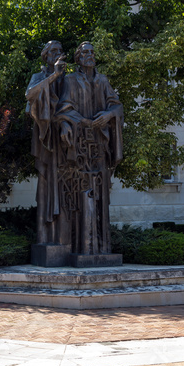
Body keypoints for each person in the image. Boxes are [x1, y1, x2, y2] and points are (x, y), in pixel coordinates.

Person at [55, 41, 123, 256]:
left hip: (100, 142)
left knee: (100, 189)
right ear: (78, 57)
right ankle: (80, 246)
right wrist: (78, 121)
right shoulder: (71, 79)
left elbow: (116, 105)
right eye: (85, 52)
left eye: (92, 52)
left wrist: (108, 115)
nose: (90, 55)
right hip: (80, 140)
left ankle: (102, 247)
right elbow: (63, 108)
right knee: (80, 190)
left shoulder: (103, 80)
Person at [25, 40, 68, 245]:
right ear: (46, 55)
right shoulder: (40, 77)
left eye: (60, 51)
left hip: (65, 138)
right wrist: (54, 76)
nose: (57, 54)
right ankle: (46, 237)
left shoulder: (70, 79)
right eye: (53, 50)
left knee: (66, 182)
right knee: (46, 181)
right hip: (45, 137)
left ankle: (65, 236)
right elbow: (29, 95)